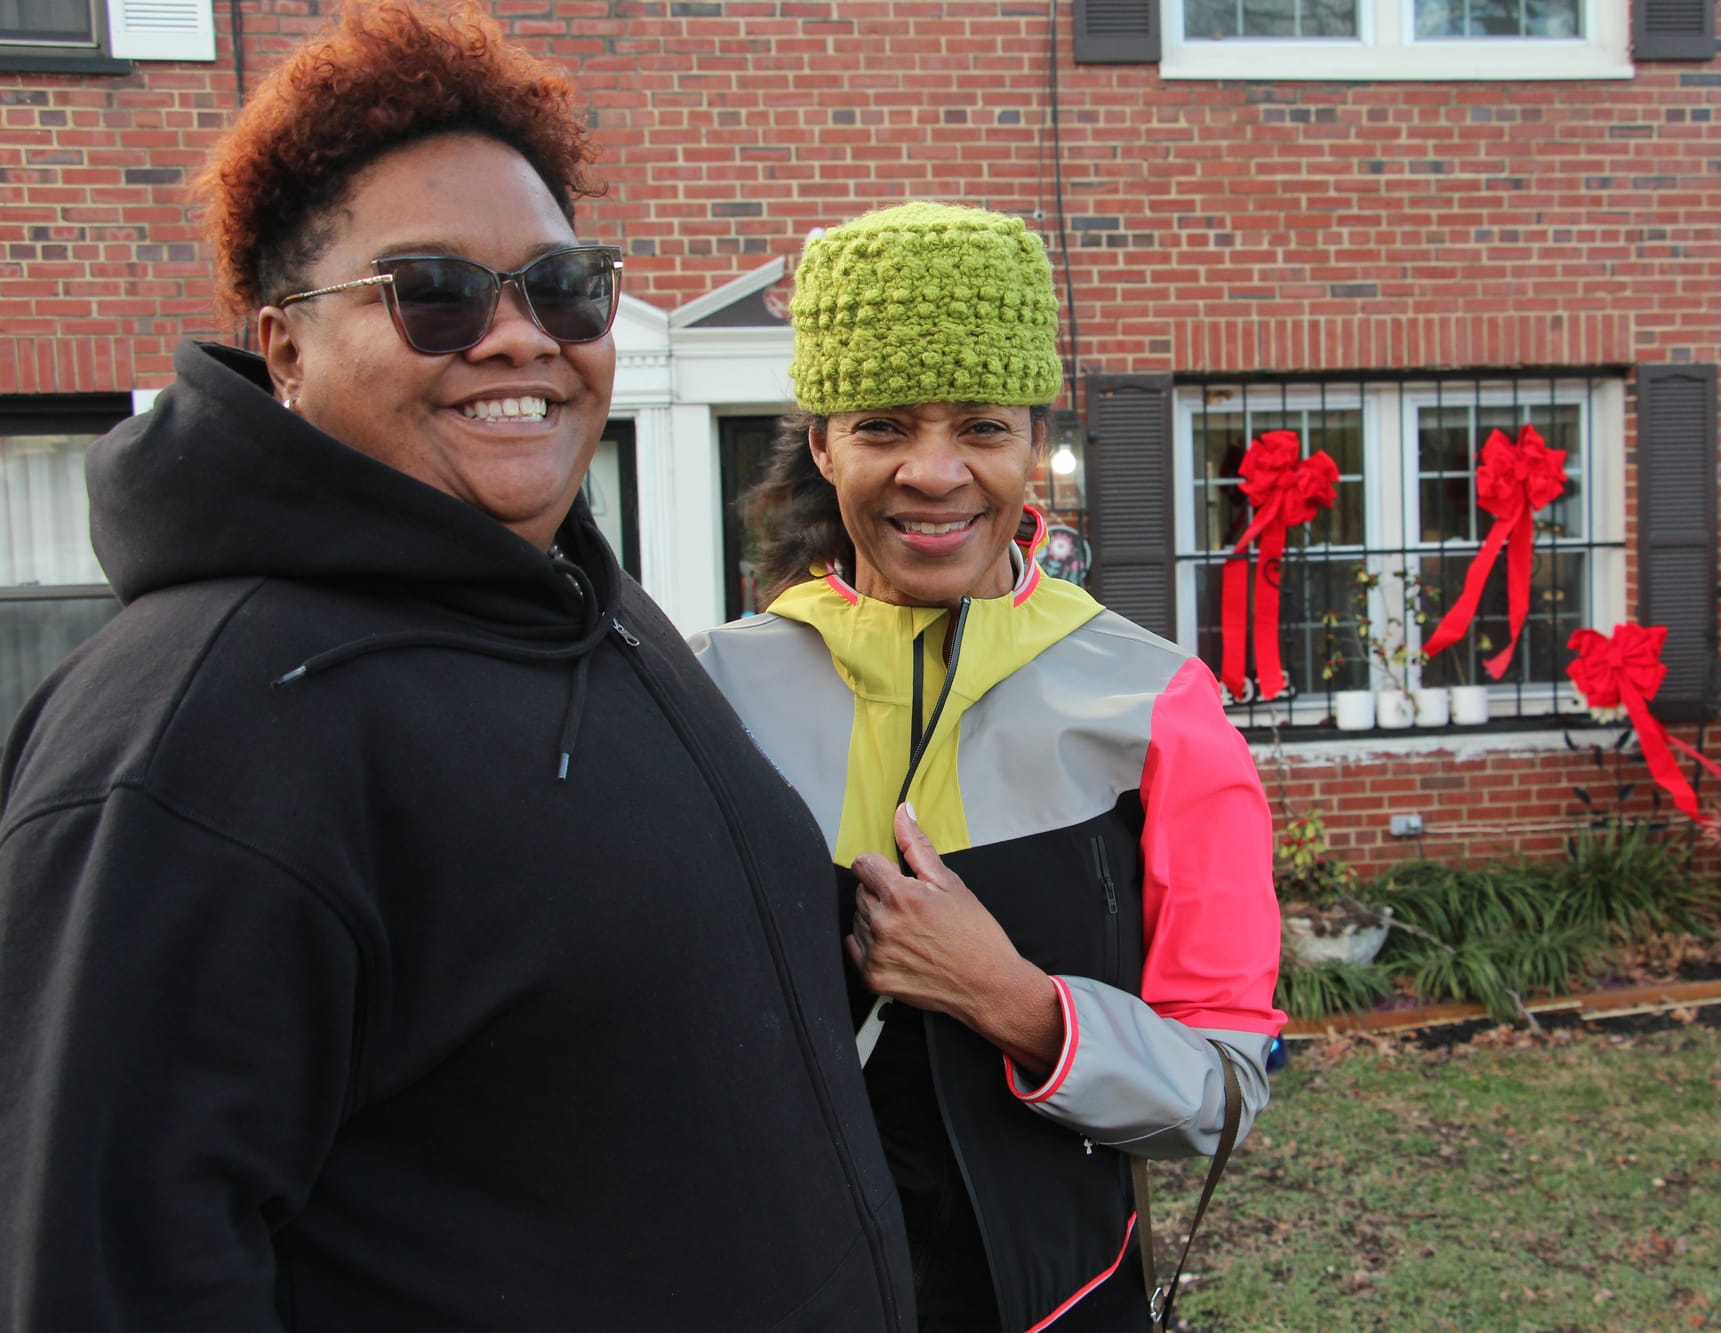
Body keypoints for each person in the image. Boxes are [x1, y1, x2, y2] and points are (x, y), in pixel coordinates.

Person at [0, 4, 914, 1328]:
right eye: (431, 292)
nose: (518, 335)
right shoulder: (193, 736)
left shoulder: (587, 610)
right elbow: (100, 1271)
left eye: (563, 285)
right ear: (286, 347)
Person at [689, 201, 1285, 1332]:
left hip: (1062, 1305)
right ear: (821, 444)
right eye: (880, 426)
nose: (932, 472)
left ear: (1031, 441)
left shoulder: (1155, 703)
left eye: (977, 425)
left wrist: (1015, 1003)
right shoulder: (709, 694)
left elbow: (1224, 1090)